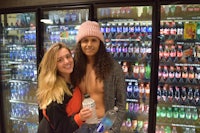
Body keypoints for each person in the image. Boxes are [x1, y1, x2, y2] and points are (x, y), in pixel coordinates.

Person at [72, 20, 126, 133]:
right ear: (80, 44)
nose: (89, 44)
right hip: (79, 125)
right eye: (85, 40)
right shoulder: (74, 67)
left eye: (94, 40)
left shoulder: (113, 68)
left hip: (104, 124)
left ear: (100, 43)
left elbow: (121, 103)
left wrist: (112, 129)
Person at [36, 42, 92, 133]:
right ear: (53, 65)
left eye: (68, 56)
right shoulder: (55, 94)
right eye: (60, 60)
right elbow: (61, 128)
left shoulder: (72, 79)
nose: (67, 61)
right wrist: (79, 118)